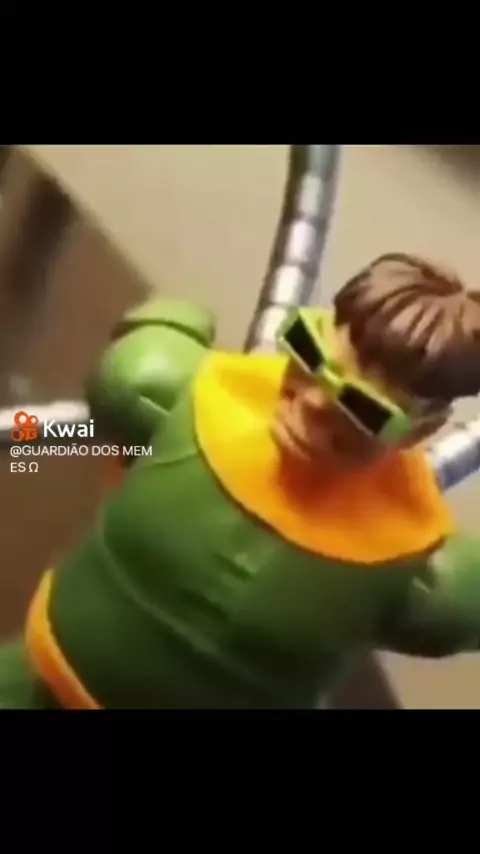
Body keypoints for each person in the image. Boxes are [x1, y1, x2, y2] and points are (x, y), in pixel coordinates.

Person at [2, 252, 480, 709]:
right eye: (309, 353)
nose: (314, 402)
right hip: (38, 681)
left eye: (361, 407)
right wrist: (171, 322)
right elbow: (138, 368)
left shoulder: (410, 562)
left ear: (422, 430)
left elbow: (456, 610)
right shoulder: (186, 394)